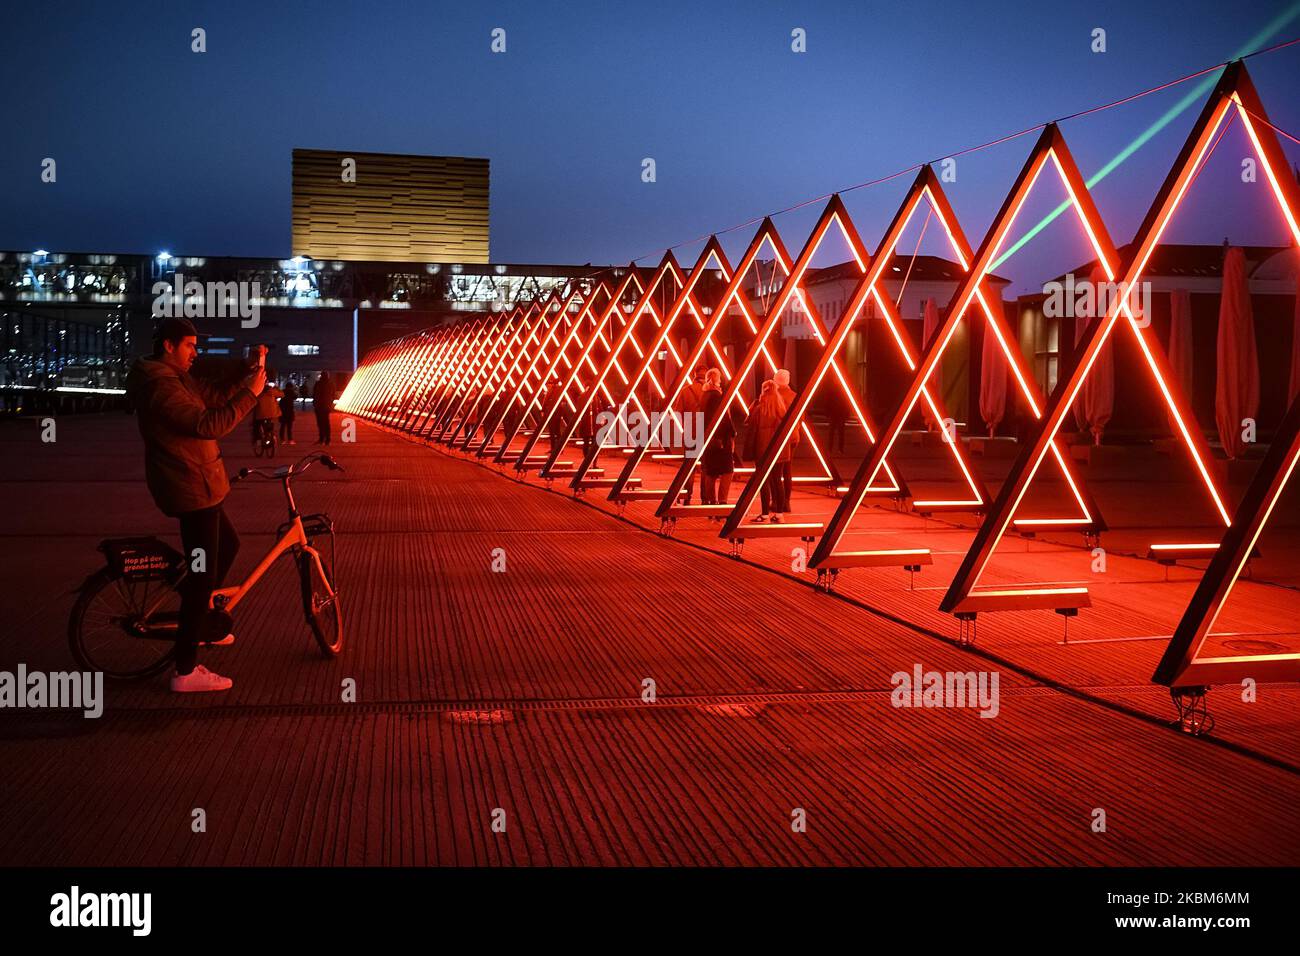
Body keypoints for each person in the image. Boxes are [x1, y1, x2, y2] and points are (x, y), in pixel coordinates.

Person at [124, 318, 266, 693]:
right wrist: (251, 395)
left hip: (203, 485)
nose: (195, 352)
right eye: (188, 345)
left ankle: (199, 620)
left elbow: (213, 396)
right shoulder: (161, 387)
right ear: (168, 347)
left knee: (229, 547)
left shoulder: (177, 380)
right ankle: (185, 670)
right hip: (189, 489)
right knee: (202, 576)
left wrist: (246, 372)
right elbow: (207, 424)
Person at [745, 379, 791, 522]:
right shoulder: (781, 410)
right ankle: (779, 514)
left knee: (763, 481)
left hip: (762, 451)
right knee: (778, 481)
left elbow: (751, 430)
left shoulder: (759, 410)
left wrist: (748, 453)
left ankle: (764, 513)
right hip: (780, 452)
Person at [699, 369, 736, 507]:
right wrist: (732, 432)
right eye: (719, 378)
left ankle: (711, 502)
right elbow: (723, 418)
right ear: (715, 379)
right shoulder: (716, 396)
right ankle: (721, 502)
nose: (721, 381)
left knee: (711, 472)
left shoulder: (705, 395)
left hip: (708, 439)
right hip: (720, 440)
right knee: (727, 471)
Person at [677, 364, 707, 504]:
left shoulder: (685, 391)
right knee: (706, 467)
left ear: (694, 375)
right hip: (707, 432)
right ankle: (705, 499)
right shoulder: (710, 391)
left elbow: (678, 412)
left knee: (689, 466)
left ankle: (687, 497)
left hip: (690, 432)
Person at [773, 368, 799, 510]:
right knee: (788, 470)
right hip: (793, 436)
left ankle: (777, 502)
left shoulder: (774, 396)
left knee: (776, 471)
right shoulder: (795, 396)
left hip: (778, 437)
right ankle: (787, 501)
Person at [251, 368, 283, 448]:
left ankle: (258, 440)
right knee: (269, 424)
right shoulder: (272, 391)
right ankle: (269, 435)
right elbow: (282, 394)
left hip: (260, 413)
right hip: (272, 413)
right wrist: (276, 388)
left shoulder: (258, 390)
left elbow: (253, 400)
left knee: (256, 424)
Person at [313, 371, 335, 445]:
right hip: (326, 406)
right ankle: (327, 439)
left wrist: (315, 403)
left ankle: (321, 439)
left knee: (320, 423)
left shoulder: (318, 384)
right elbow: (333, 395)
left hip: (319, 406)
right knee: (326, 423)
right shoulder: (331, 384)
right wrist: (330, 403)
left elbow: (315, 394)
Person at [279, 379, 298, 445]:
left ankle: (282, 440)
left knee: (282, 426)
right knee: (289, 427)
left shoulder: (283, 391)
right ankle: (290, 440)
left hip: (283, 411)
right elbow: (296, 397)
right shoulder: (292, 392)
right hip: (290, 411)